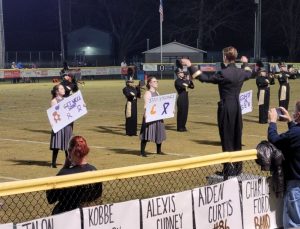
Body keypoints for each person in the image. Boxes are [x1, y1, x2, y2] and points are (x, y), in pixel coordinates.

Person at [181, 46, 252, 179]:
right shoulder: (241, 72)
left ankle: (228, 169)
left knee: (226, 138)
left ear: (225, 57)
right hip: (237, 107)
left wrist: (190, 65)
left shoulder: (223, 73)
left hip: (226, 106)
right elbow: (249, 73)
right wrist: (245, 63)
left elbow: (203, 78)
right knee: (237, 137)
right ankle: (238, 167)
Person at [46, 136, 103, 215]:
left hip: (68, 216)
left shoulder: (64, 174)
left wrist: (65, 167)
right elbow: (97, 196)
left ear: (69, 152)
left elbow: (51, 199)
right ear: (86, 151)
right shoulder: (95, 171)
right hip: (88, 215)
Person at [268, 102, 300, 228]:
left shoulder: (296, 133)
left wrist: (272, 122)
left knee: (294, 223)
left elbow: (274, 139)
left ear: (298, 114)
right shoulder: (296, 132)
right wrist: (291, 122)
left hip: (296, 184)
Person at [139, 77, 166, 157]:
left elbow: (160, 104)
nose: (156, 82)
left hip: (157, 116)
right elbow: (146, 105)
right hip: (150, 116)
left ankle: (159, 151)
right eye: (154, 81)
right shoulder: (148, 93)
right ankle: (142, 152)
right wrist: (147, 116)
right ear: (150, 83)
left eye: (156, 81)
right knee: (146, 133)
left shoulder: (157, 92)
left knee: (159, 132)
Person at [49, 84, 73, 168]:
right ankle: (53, 162)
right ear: (57, 91)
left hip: (67, 124)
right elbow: (54, 113)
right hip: (59, 125)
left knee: (68, 143)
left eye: (63, 88)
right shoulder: (54, 101)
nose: (63, 89)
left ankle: (69, 162)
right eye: (61, 88)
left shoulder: (66, 99)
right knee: (57, 143)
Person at [174, 67, 194, 131]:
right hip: (181, 97)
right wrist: (188, 80)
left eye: (182, 72)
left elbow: (192, 87)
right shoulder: (177, 81)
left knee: (185, 112)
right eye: (181, 72)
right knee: (181, 113)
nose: (183, 73)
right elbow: (184, 86)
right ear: (178, 74)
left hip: (185, 97)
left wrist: (190, 80)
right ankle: (179, 127)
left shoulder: (184, 80)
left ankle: (183, 126)